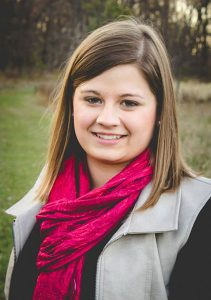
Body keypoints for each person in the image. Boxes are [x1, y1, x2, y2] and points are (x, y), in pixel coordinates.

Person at [4, 18, 211, 300]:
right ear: (71, 105)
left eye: (129, 103)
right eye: (92, 99)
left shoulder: (200, 213)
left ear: (160, 111)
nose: (107, 119)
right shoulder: (45, 198)